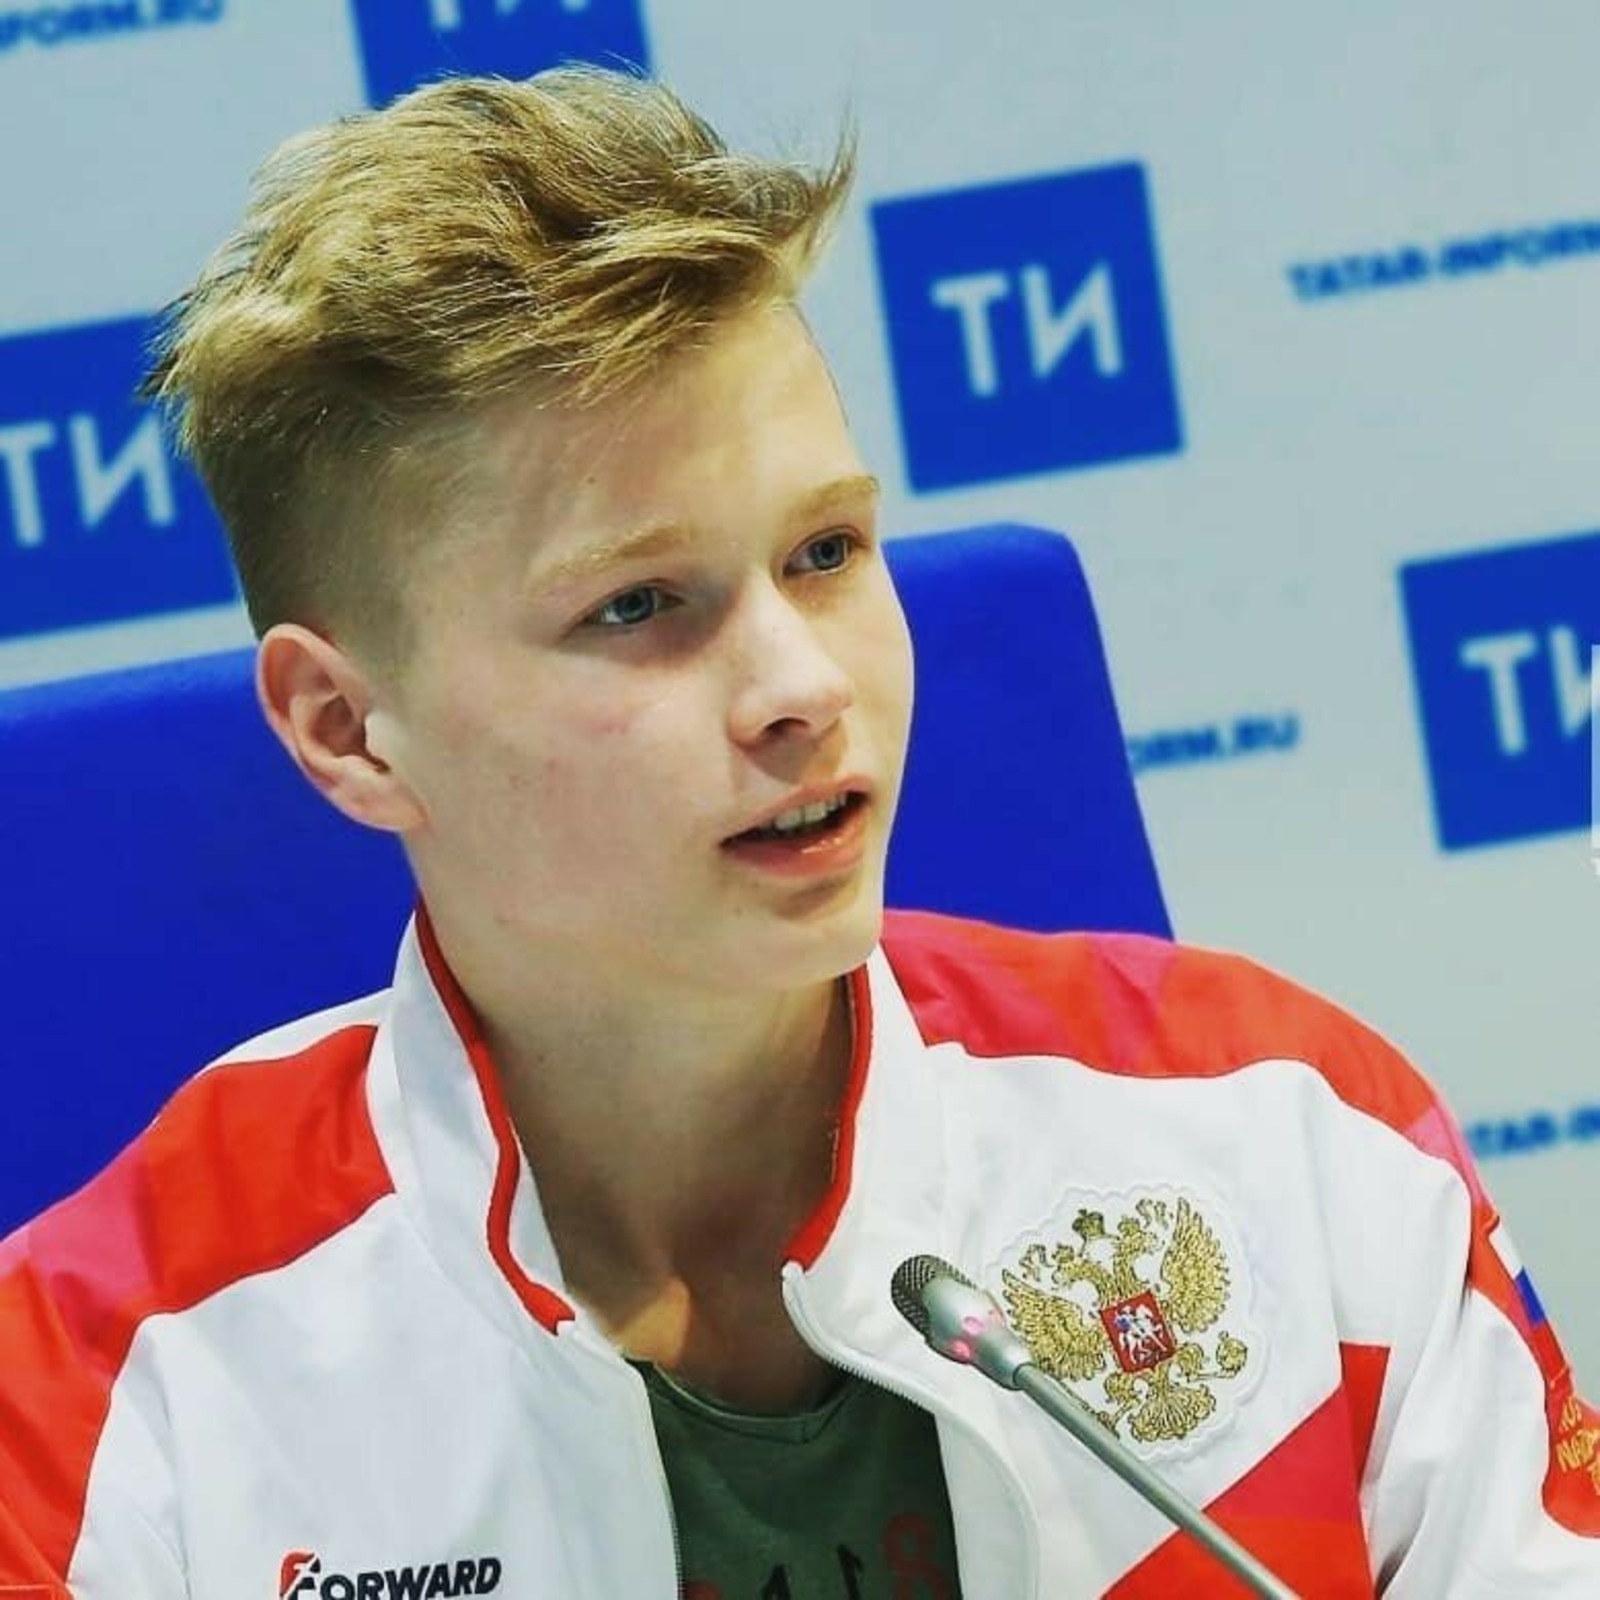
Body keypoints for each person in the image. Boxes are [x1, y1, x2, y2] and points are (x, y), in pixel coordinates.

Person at [0, 66, 1596, 1600]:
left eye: (827, 551)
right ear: (349, 731)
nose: (802, 687)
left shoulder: (1294, 1140)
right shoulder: (104, 1396)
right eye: (640, 606)